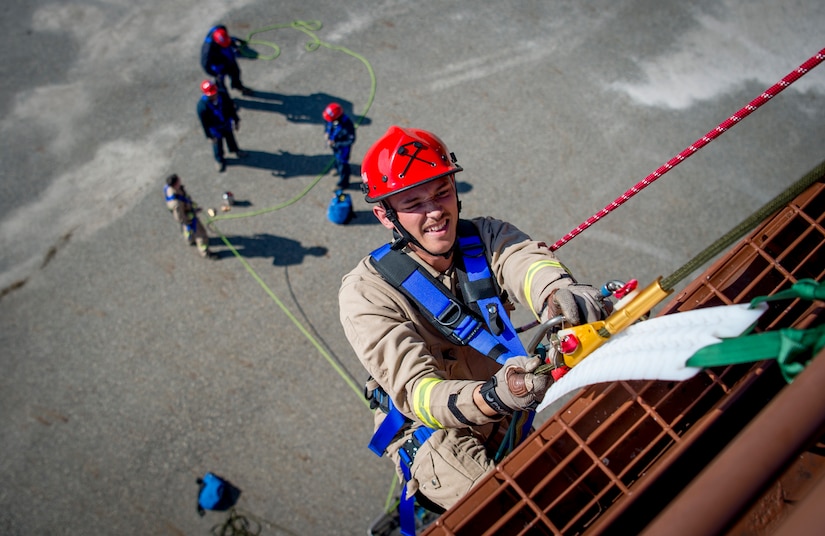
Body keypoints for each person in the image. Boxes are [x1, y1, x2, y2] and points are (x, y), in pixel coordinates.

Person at [338, 126, 610, 529]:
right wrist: (497, 395)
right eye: (414, 202)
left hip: (506, 390)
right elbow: (419, 394)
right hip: (435, 433)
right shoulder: (366, 294)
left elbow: (523, 260)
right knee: (512, 511)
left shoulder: (485, 237)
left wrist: (557, 293)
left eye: (442, 192)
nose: (435, 212)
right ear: (385, 214)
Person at [197, 80, 247, 172]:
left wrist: (236, 120)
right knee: (217, 144)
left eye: (215, 92)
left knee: (231, 138)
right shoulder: (202, 106)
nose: (214, 95)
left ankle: (235, 150)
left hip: (226, 123)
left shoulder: (223, 95)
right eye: (211, 94)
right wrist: (209, 136)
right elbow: (204, 123)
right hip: (215, 128)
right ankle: (219, 160)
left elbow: (231, 108)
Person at [163, 174, 216, 259]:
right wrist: (190, 218)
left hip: (185, 214)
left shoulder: (169, 188)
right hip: (188, 218)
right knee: (201, 235)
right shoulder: (176, 203)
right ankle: (205, 252)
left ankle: (190, 240)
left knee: (187, 230)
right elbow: (179, 217)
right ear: (175, 184)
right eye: (179, 181)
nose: (180, 181)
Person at [200, 25, 253, 96]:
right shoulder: (207, 50)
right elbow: (205, 66)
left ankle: (237, 86)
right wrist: (215, 74)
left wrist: (236, 44)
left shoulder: (220, 29)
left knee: (236, 72)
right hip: (218, 65)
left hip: (228, 58)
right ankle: (225, 98)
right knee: (220, 84)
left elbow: (228, 37)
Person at [323, 102, 356, 189]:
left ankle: (343, 183)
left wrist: (335, 143)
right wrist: (326, 133)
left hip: (343, 149)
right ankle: (336, 169)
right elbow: (327, 124)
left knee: (343, 165)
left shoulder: (347, 126)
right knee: (336, 160)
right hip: (334, 146)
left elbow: (350, 140)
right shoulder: (331, 120)